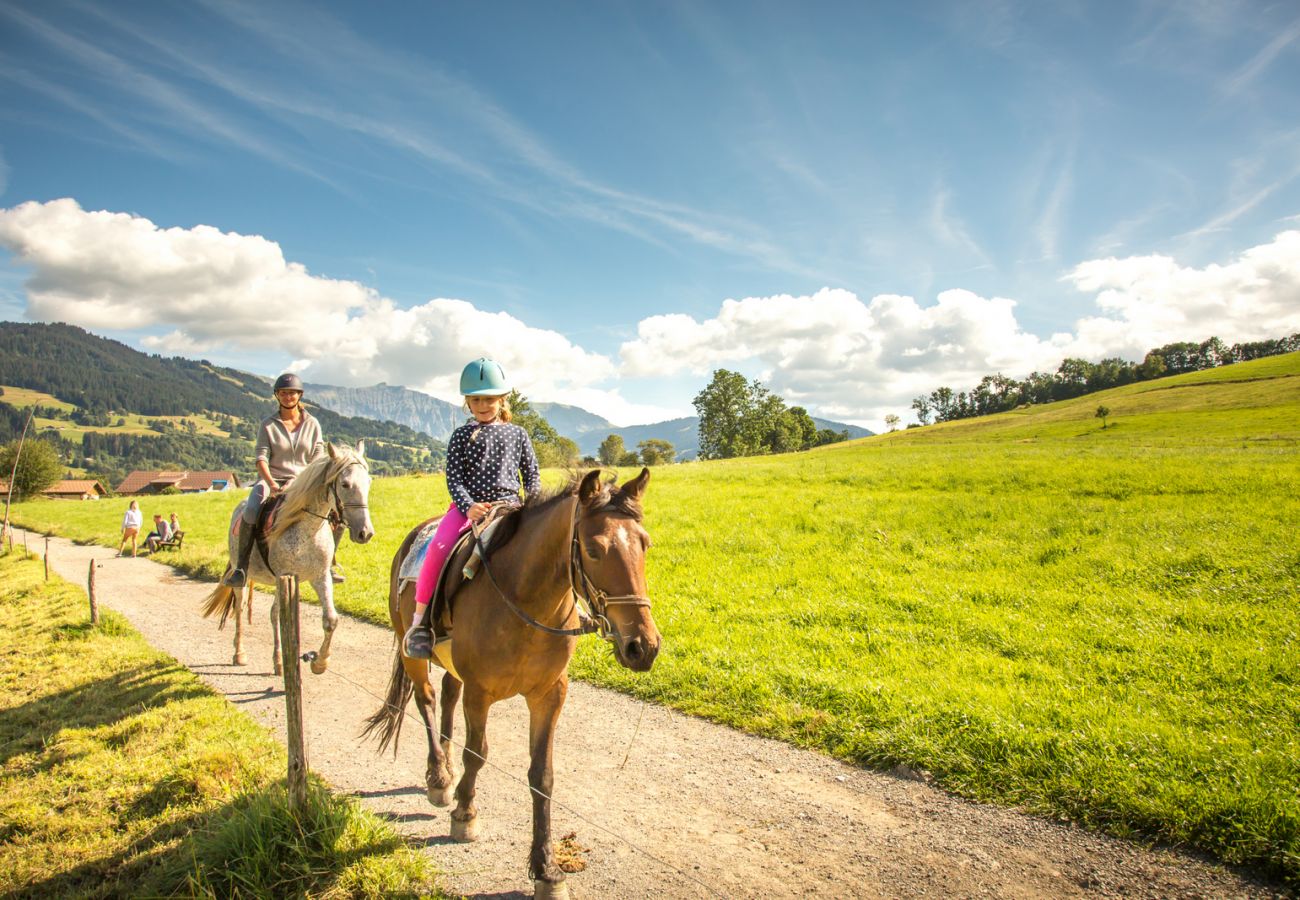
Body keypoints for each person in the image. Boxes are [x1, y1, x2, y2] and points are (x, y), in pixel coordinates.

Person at [403, 357, 541, 659]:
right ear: (467, 402)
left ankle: (566, 611)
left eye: (489, 399)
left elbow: (531, 475)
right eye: (476, 399)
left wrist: (533, 507)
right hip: (468, 509)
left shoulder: (518, 434)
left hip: (512, 506)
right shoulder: (462, 435)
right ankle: (421, 622)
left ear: (501, 399)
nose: (482, 405)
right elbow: (454, 477)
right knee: (438, 548)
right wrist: (468, 507)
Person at [223, 373, 325, 588]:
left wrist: (302, 481)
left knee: (333, 509)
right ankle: (241, 568)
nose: (288, 396)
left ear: (300, 395)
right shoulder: (268, 425)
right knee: (251, 510)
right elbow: (261, 458)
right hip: (273, 479)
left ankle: (329, 563)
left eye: (292, 393)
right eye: (283, 393)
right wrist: (272, 485)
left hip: (303, 482)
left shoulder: (313, 423)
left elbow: (318, 455)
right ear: (277, 395)